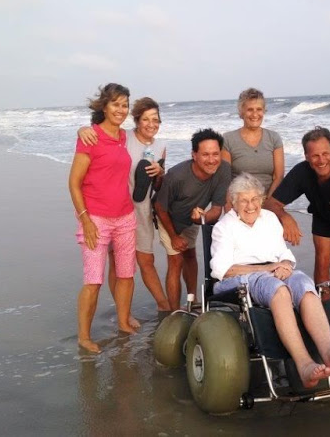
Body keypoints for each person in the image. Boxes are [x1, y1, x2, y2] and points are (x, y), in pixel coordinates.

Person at [210, 173, 330, 388]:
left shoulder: (269, 219)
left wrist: (286, 264)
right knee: (278, 289)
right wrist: (269, 269)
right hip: (239, 278)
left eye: (255, 200)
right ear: (233, 202)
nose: (250, 206)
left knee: (304, 285)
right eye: (244, 200)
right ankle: (304, 365)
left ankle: (329, 352)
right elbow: (223, 270)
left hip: (275, 270)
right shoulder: (224, 227)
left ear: (261, 200)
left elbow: (283, 252)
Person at [263, 126, 330, 337]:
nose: (321, 160)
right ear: (306, 157)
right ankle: (326, 317)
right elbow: (271, 203)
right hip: (324, 215)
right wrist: (285, 217)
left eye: (325, 154)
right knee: (322, 264)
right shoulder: (302, 172)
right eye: (314, 156)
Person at [78, 97, 170, 312]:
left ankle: (164, 306)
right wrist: (82, 129)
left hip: (142, 209)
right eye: (146, 119)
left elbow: (157, 185)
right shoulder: (123, 137)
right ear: (136, 121)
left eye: (155, 119)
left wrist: (160, 173)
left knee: (146, 259)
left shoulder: (161, 146)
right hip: (115, 209)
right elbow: (97, 134)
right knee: (117, 264)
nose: (151, 124)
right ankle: (124, 313)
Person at [68, 83, 137, 353]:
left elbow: (148, 134)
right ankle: (84, 337)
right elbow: (74, 183)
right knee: (93, 280)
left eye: (125, 105)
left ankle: (122, 322)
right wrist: (85, 220)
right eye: (116, 104)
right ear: (104, 106)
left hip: (125, 216)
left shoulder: (122, 137)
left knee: (126, 274)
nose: (121, 110)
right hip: (95, 218)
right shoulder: (90, 137)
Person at [154, 129, 231, 311]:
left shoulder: (224, 169)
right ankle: (174, 314)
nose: (211, 160)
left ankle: (192, 300)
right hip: (168, 216)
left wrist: (201, 219)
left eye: (215, 154)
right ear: (194, 155)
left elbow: (216, 210)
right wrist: (173, 236)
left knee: (190, 255)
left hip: (192, 216)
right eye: (205, 154)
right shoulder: (177, 175)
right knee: (176, 261)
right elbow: (159, 207)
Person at [222, 88, 284, 197]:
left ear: (264, 111)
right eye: (250, 109)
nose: (255, 114)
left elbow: (278, 177)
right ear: (241, 112)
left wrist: (268, 203)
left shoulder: (274, 138)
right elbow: (225, 179)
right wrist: (229, 204)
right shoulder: (228, 139)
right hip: (239, 201)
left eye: (259, 109)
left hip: (268, 200)